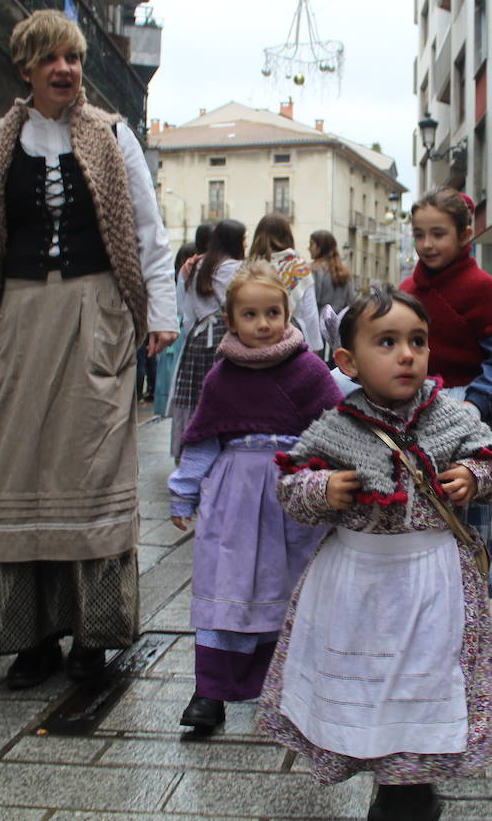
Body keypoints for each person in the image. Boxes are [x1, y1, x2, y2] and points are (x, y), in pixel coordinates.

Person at [0, 10, 177, 688]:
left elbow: (146, 233)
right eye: (52, 59)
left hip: (96, 311)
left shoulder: (112, 136)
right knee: (16, 476)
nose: (67, 70)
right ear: (26, 69)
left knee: (93, 470)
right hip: (18, 315)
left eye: (73, 58)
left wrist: (158, 314)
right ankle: (31, 639)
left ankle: (93, 638)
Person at [259, 285, 492, 821]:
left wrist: (475, 475)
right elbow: (292, 488)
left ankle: (409, 787)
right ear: (348, 360)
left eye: (417, 342)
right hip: (356, 584)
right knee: (369, 681)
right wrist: (322, 490)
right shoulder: (337, 425)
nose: (406, 354)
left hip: (434, 581)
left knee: (425, 679)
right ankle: (382, 769)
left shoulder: (450, 415)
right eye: (387, 342)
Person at [168, 261, 340, 733]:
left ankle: (295, 689)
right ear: (231, 320)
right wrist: (184, 492)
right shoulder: (220, 378)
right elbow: (202, 440)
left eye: (272, 312)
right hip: (233, 501)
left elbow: (339, 430)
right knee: (227, 586)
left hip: (294, 498)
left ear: (289, 314)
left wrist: (345, 484)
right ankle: (211, 691)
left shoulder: (308, 370)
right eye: (250, 314)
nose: (263, 324)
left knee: (294, 588)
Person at [400, 187, 492, 599]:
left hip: (465, 415)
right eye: (419, 235)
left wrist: (474, 404)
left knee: (464, 505)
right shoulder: (405, 291)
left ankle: (466, 604)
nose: (427, 244)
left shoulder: (483, 288)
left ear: (465, 234)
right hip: (411, 415)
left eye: (438, 234)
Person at [170, 219, 246, 458]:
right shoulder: (238, 269)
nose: (246, 243)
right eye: (243, 238)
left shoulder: (194, 266)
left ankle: (190, 451)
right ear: (234, 241)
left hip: (198, 339)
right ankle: (224, 451)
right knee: (226, 399)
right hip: (228, 339)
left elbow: (186, 311)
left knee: (195, 399)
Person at [249, 213, 322, 351]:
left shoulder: (250, 266)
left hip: (255, 337)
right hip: (293, 337)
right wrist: (315, 347)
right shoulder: (297, 267)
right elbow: (310, 312)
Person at [153, 243, 198, 418]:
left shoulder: (177, 280)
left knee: (170, 372)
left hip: (175, 333)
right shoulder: (183, 279)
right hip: (179, 333)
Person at [308, 229, 355, 360]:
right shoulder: (345, 273)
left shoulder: (313, 270)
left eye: (311, 244)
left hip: (317, 330)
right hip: (339, 329)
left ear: (320, 247)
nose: (308, 248)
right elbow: (352, 301)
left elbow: (312, 302)